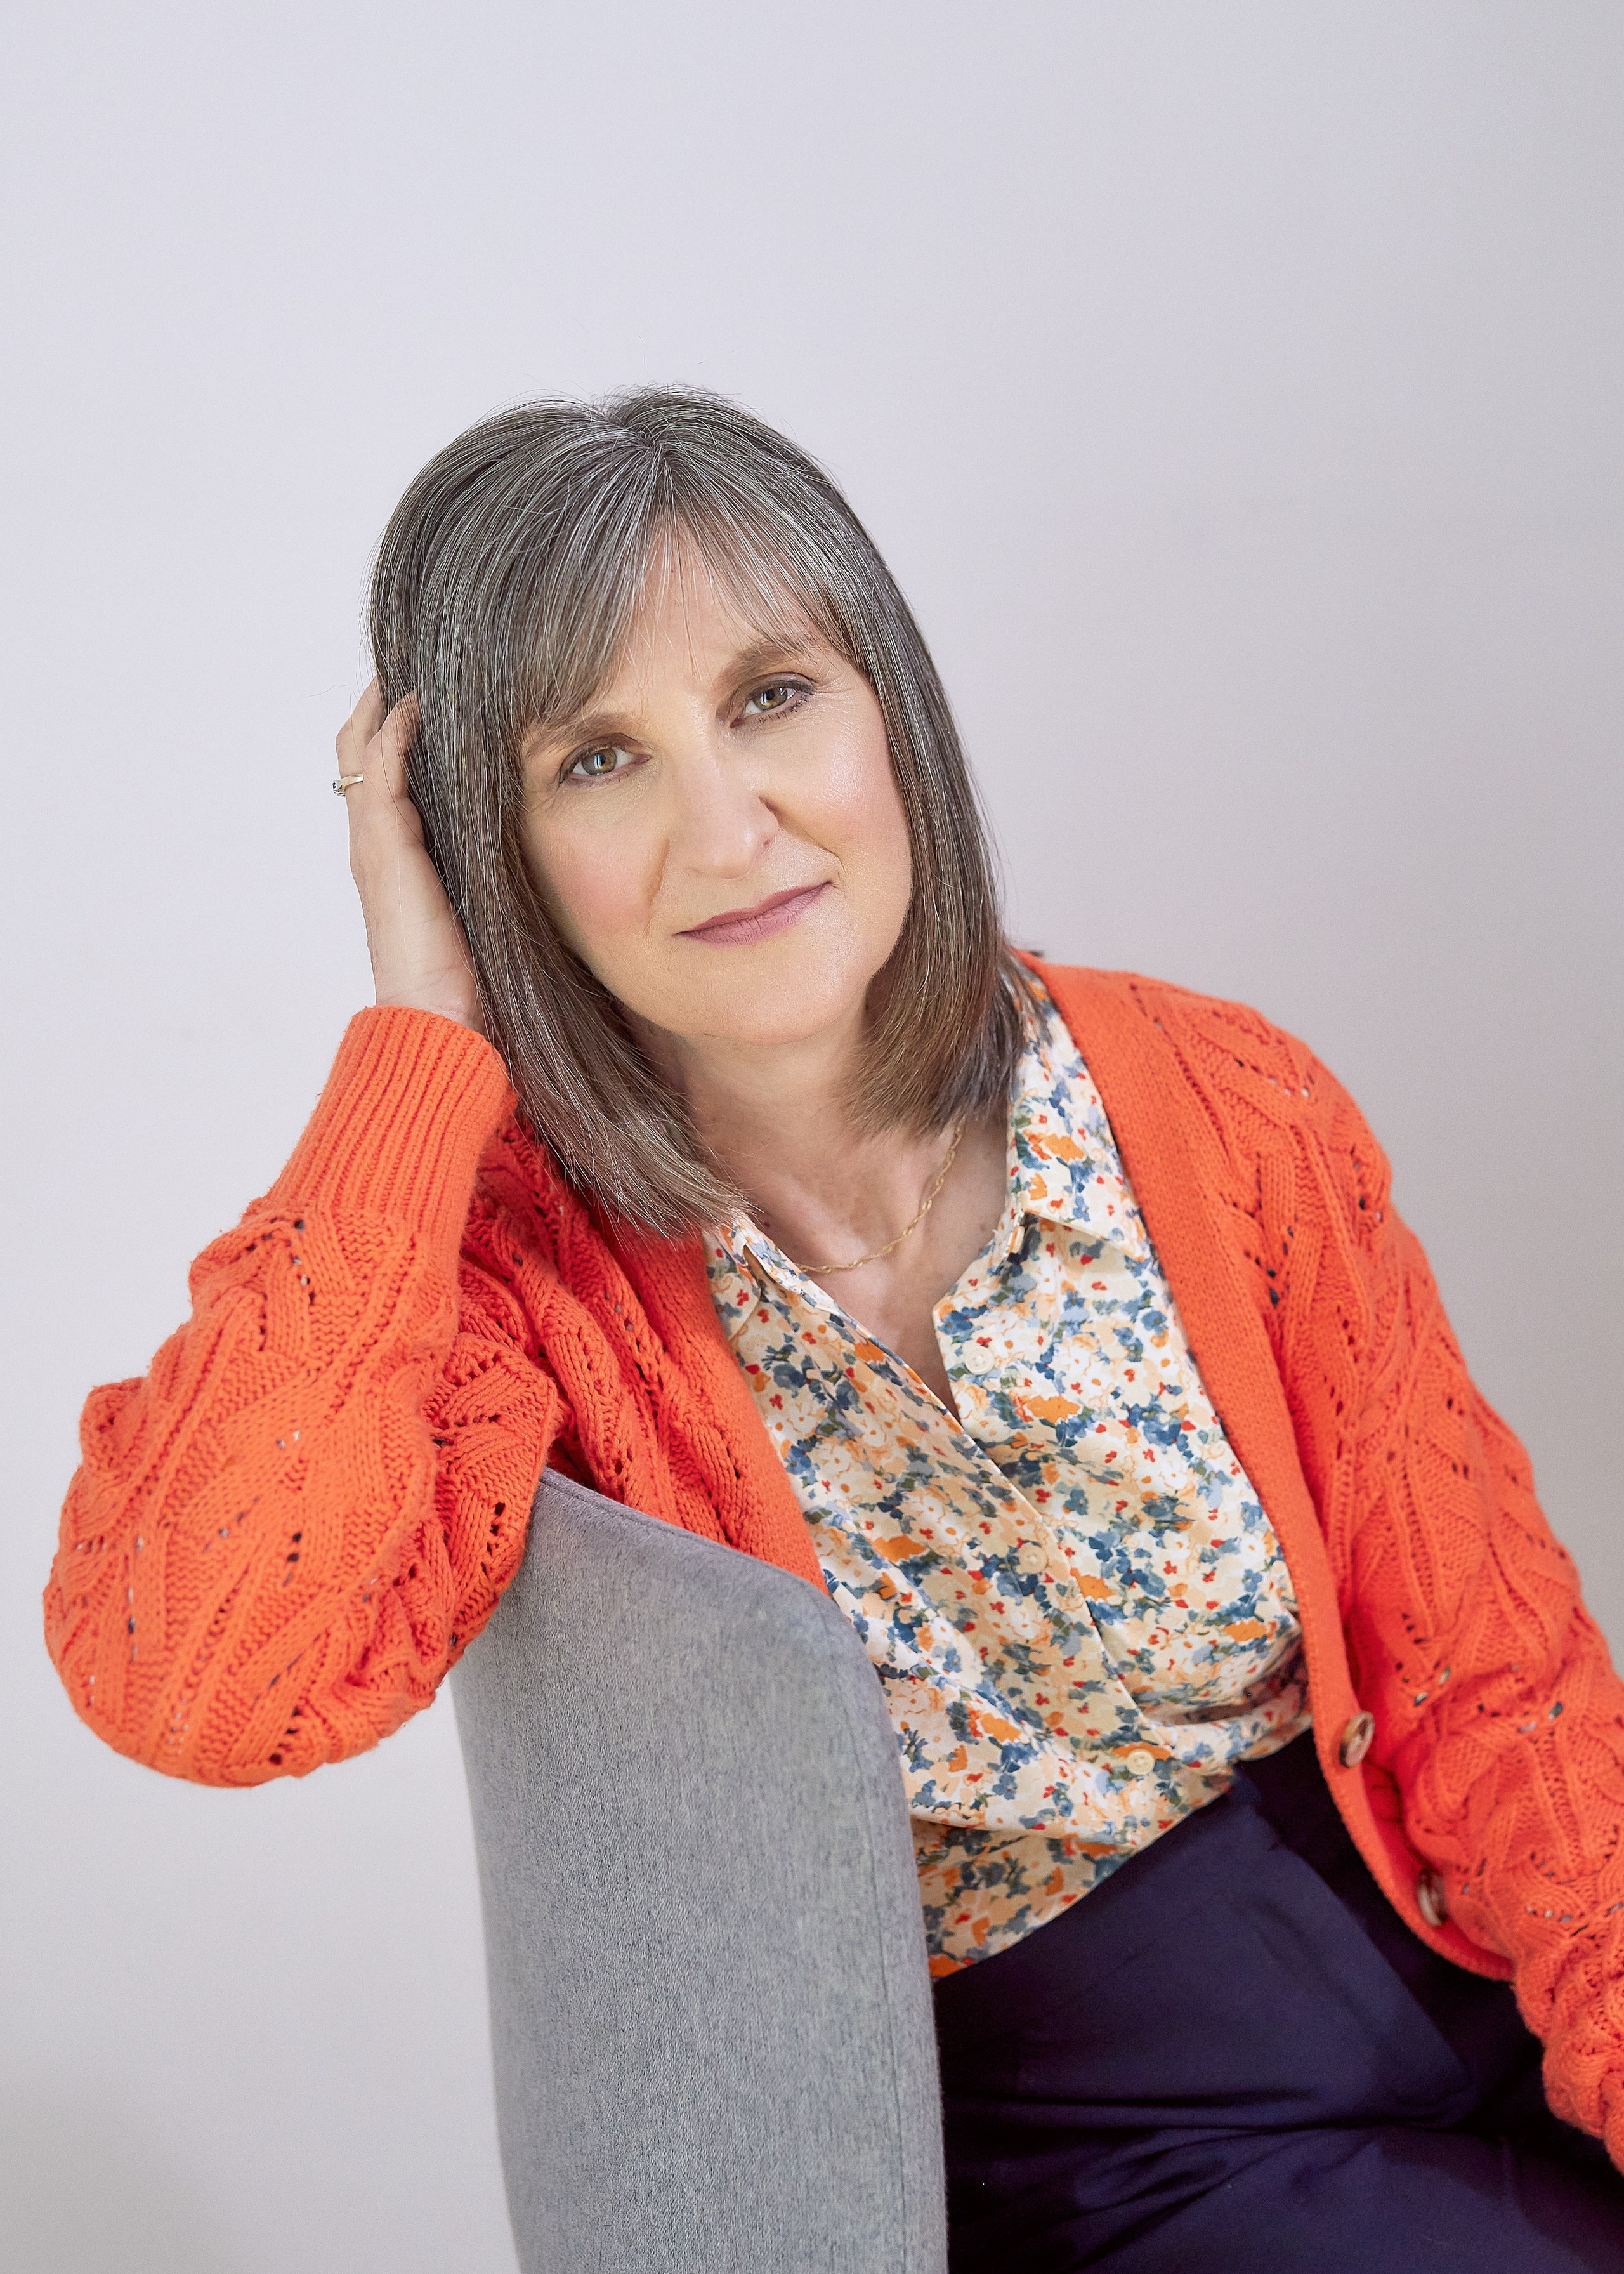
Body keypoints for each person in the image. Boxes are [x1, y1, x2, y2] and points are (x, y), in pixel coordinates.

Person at [44, 389, 1624, 2268]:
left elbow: (1504, 1688)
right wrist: (419, 1050)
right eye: (594, 762)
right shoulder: (513, 1292)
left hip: (1470, 1965)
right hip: (1116, 2150)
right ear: (484, 848)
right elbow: (195, 1677)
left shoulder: (1225, 1104)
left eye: (771, 697)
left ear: (889, 712)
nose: (730, 831)